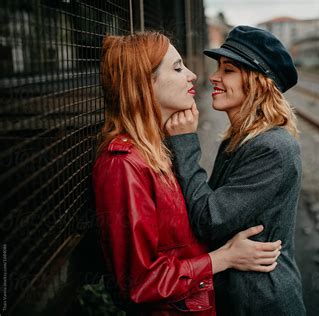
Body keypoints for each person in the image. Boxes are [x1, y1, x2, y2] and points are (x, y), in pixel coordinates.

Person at [92, 32, 282, 316]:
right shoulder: (123, 164)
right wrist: (222, 258)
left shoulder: (155, 150)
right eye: (178, 67)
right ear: (145, 82)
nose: (194, 75)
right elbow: (139, 283)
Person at [166, 26, 306, 315]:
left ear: (257, 83)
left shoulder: (272, 148)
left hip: (261, 301)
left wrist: (184, 142)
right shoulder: (240, 137)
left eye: (228, 70)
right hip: (240, 294)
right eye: (219, 67)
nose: (215, 76)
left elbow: (209, 219)